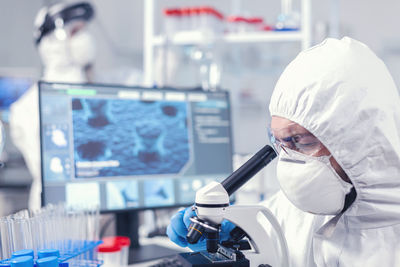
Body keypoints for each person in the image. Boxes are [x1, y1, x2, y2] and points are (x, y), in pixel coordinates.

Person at [167, 37, 400, 266]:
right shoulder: (298, 209)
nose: (289, 161)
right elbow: (267, 229)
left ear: (357, 140)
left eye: (299, 141)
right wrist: (234, 231)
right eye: (280, 143)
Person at [9, 1, 96, 211]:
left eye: (84, 31)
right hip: (56, 213)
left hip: (103, 209)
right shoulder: (27, 109)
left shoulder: (100, 90)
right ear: (51, 42)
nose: (84, 39)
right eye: (75, 32)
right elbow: (56, 168)